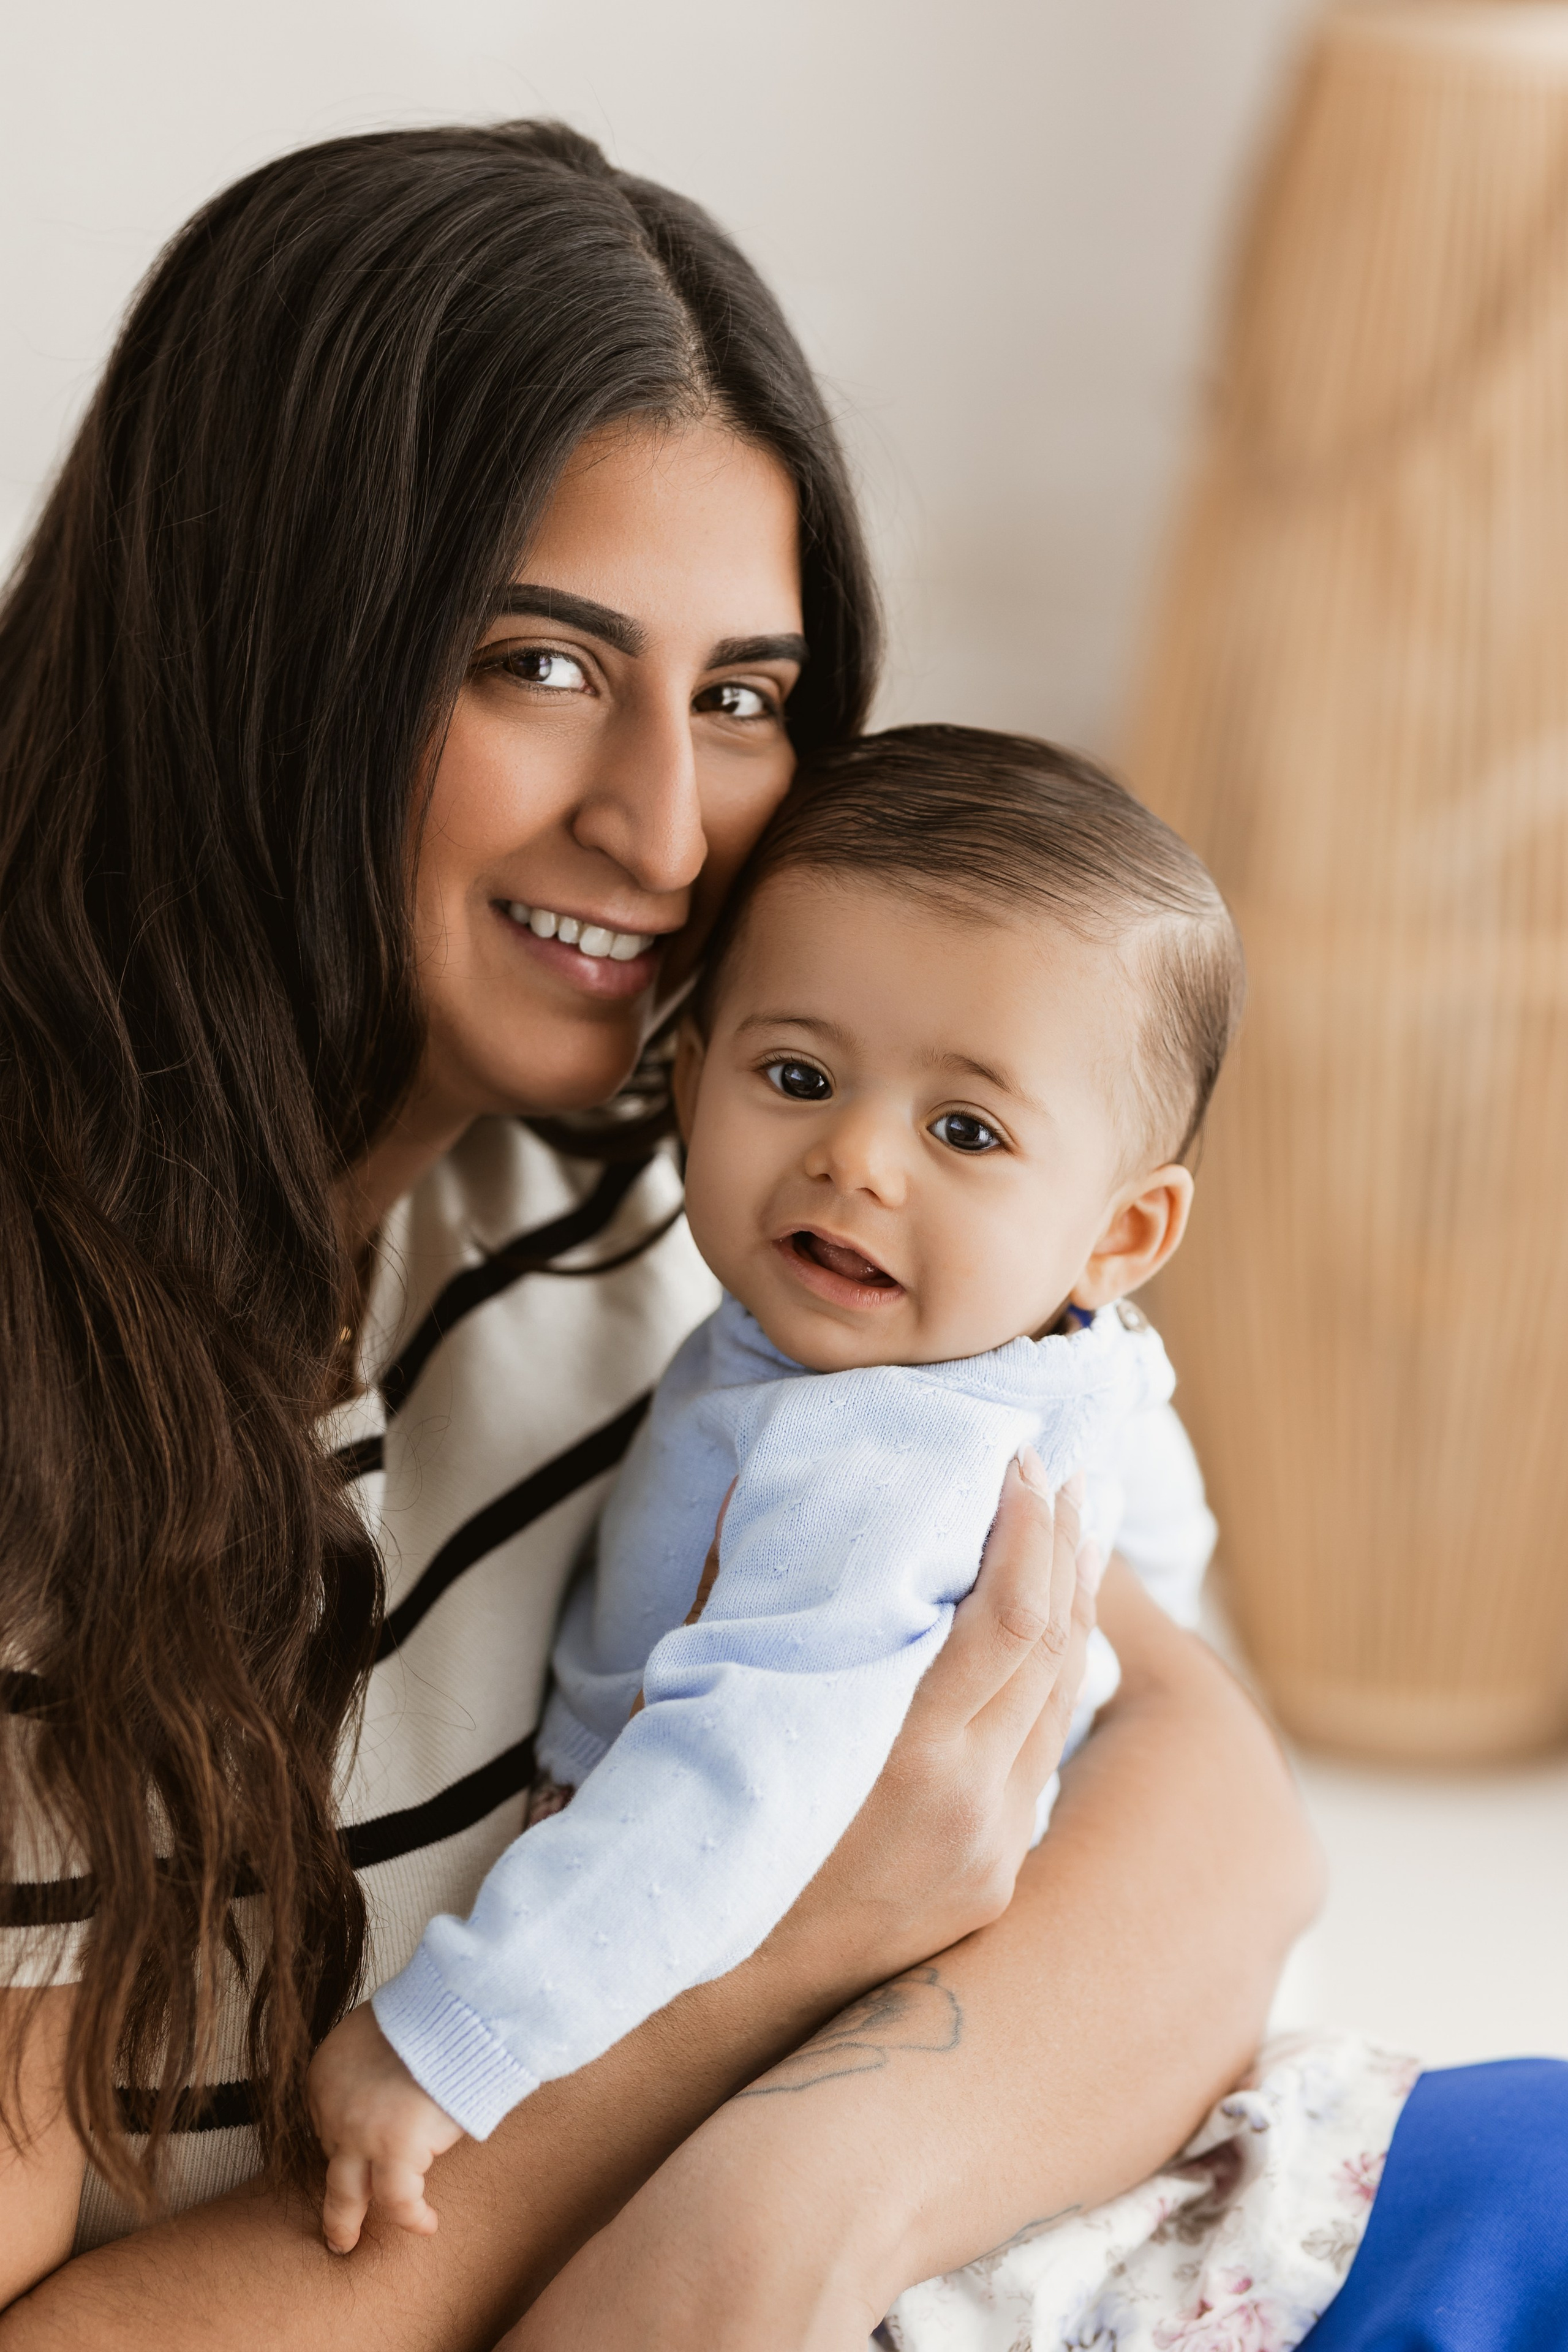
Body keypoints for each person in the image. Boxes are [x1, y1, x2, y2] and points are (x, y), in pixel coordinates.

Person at [0, 122, 1317, 2347]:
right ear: (261, 645)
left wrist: (771, 2220)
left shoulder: (704, 1165)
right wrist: (768, 1981)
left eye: (740, 699)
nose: (667, 828)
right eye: (537, 663)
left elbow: (1214, 1806)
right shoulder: (57, 1397)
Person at [306, 723, 1243, 2255]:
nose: (855, 1159)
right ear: (691, 1086)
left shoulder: (879, 1457)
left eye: (964, 1129)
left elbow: (732, 1791)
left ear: (1119, 1233)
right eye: (797, 1077)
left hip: (769, 2008)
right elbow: (1166, 1540)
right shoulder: (1070, 1362)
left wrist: (453, 2038)